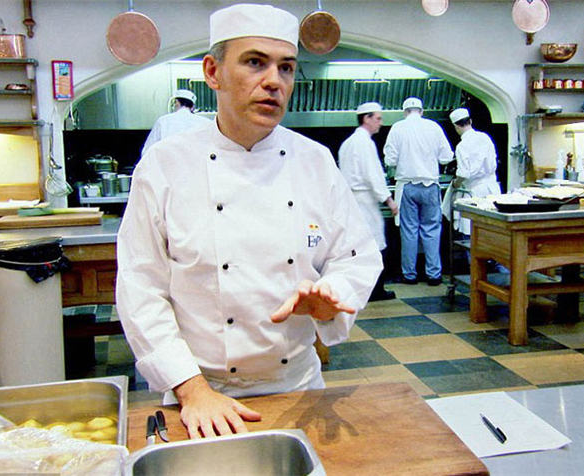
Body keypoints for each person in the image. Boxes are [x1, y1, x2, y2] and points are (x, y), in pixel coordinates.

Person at [116, 3, 382, 440]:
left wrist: (329, 295)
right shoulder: (164, 166)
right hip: (197, 397)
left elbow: (356, 256)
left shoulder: (315, 161)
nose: (274, 81)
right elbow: (140, 289)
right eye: (255, 62)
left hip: (298, 390)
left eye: (287, 68)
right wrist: (191, 388)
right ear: (212, 71)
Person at [383, 97, 453, 286]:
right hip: (430, 185)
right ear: (421, 111)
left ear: (405, 112)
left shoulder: (398, 127)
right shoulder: (434, 127)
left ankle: (410, 275)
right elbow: (447, 157)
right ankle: (434, 275)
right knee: (432, 230)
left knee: (409, 231)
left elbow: (390, 160)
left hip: (407, 186)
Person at [338, 101, 398, 301]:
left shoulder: (348, 143)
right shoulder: (364, 143)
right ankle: (375, 290)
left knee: (357, 247)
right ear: (367, 118)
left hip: (351, 201)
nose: (380, 123)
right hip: (364, 201)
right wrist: (389, 200)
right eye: (378, 118)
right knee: (374, 246)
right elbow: (373, 175)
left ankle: (360, 288)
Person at [441, 107, 500, 236]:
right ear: (470, 121)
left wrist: (456, 183)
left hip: (474, 193)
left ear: (456, 126)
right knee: (489, 233)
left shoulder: (462, 146)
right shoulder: (485, 138)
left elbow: (464, 173)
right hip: (492, 190)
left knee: (472, 235)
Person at [140, 88, 212, 155]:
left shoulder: (163, 121)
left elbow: (148, 150)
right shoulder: (205, 122)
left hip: (168, 164)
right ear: (193, 107)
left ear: (177, 103)